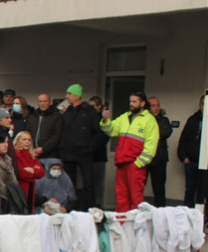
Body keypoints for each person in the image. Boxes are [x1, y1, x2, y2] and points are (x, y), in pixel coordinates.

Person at [100, 92, 159, 212]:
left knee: (135, 197)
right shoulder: (125, 117)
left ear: (142, 103)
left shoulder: (149, 120)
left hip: (135, 164)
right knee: (121, 197)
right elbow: (111, 130)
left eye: (134, 102)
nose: (131, 104)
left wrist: (139, 163)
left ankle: (135, 226)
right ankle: (122, 224)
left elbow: (151, 146)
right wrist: (105, 120)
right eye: (130, 101)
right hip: (122, 162)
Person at [59, 83, 104, 211]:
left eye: (69, 94)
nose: (66, 96)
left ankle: (90, 209)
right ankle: (71, 208)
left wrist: (90, 147)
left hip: (85, 152)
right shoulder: (67, 112)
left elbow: (99, 132)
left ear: (77, 96)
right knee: (69, 183)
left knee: (88, 182)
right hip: (68, 152)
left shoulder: (90, 112)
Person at [177, 95, 207, 207]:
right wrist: (184, 157)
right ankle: (187, 215)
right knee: (190, 190)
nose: (204, 106)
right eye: (203, 104)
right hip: (192, 162)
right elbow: (183, 139)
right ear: (199, 105)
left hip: (206, 164)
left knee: (205, 191)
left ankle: (204, 218)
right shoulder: (192, 120)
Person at [145, 96, 173, 207]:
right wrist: (156, 135)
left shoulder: (164, 120)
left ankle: (160, 214)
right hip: (145, 158)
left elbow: (166, 133)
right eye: (153, 105)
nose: (156, 108)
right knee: (139, 187)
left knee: (159, 189)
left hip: (160, 159)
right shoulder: (143, 119)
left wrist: (152, 134)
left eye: (158, 105)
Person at [26, 92, 63, 163]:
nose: (42, 104)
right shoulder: (32, 117)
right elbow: (27, 133)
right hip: (33, 155)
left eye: (45, 101)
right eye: (40, 101)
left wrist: (43, 149)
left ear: (50, 102)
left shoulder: (57, 116)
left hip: (51, 156)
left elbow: (57, 136)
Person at [13, 131, 46, 208]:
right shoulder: (15, 154)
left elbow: (42, 173)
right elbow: (21, 173)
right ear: (17, 140)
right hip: (20, 187)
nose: (27, 142)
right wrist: (34, 171)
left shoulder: (32, 155)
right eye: (24, 139)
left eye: (29, 140)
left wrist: (32, 170)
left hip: (31, 187)